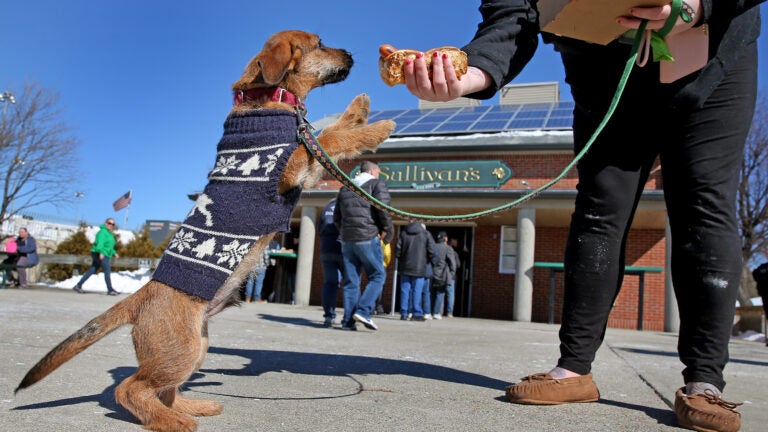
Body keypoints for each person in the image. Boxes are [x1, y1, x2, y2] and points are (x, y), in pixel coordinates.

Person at [402, 1, 761, 430]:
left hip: (711, 61)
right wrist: (476, 72)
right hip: (603, 74)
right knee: (598, 210)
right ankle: (574, 369)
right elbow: (515, 11)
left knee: (702, 207)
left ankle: (705, 380)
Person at [334, 160, 394, 331]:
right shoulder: (376, 184)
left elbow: (336, 218)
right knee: (377, 275)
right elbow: (383, 209)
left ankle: (347, 321)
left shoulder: (345, 188)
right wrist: (388, 231)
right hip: (367, 237)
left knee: (351, 281)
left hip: (347, 241)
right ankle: (364, 311)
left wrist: (346, 233)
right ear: (374, 171)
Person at [395, 221, 434, 321]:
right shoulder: (426, 234)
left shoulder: (403, 233)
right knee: (417, 290)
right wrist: (426, 261)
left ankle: (404, 313)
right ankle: (416, 313)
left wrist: (401, 260)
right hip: (419, 267)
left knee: (405, 290)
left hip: (405, 266)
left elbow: (397, 250)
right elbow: (431, 251)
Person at [73, 218, 121, 295]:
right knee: (107, 270)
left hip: (103, 253)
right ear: (105, 223)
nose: (111, 225)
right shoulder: (102, 232)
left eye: (113, 224)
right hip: (100, 253)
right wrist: (101, 253)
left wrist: (114, 253)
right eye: (109, 223)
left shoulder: (109, 234)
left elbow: (109, 246)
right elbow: (100, 244)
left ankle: (78, 285)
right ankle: (110, 290)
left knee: (92, 270)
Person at [319, 199, 344, 327]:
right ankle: (349, 318)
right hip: (343, 248)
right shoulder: (346, 205)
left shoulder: (326, 208)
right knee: (351, 284)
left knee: (330, 284)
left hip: (327, 249)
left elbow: (320, 228)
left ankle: (328, 316)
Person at [431, 232, 457, 320]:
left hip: (432, 272)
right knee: (440, 293)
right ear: (445, 239)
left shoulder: (433, 246)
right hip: (442, 273)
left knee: (431, 293)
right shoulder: (448, 248)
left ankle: (430, 311)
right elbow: (453, 262)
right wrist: (452, 273)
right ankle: (436, 312)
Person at [446, 238, 463, 318]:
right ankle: (449, 312)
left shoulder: (442, 250)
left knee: (440, 294)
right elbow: (458, 264)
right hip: (451, 276)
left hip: (441, 275)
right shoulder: (454, 253)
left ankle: (438, 311)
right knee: (450, 294)